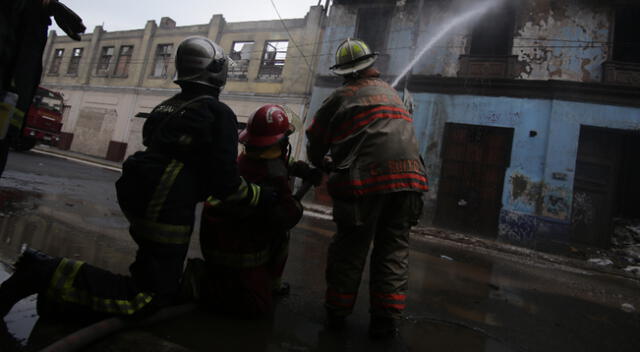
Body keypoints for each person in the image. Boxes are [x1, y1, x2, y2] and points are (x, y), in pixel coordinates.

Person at [0, 36, 271, 321]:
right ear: (215, 70)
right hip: (166, 201)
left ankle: (61, 294)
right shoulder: (218, 113)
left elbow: (184, 158)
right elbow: (225, 183)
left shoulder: (166, 106)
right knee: (148, 296)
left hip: (145, 194)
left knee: (152, 271)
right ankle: (45, 272)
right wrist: (260, 196)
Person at [306, 38, 429, 338]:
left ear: (345, 72)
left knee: (350, 249)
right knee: (393, 251)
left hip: (366, 183)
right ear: (371, 66)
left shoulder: (342, 96)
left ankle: (337, 315)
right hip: (410, 183)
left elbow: (316, 140)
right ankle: (385, 322)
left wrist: (319, 162)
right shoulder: (392, 93)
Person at [189, 104, 322, 316]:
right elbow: (287, 216)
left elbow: (285, 161)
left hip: (216, 241)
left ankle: (219, 282)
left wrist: (302, 169)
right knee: (257, 308)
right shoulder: (274, 172)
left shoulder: (246, 158)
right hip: (238, 252)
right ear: (282, 141)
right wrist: (295, 205)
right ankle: (266, 284)